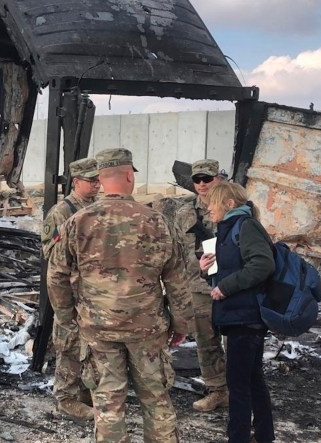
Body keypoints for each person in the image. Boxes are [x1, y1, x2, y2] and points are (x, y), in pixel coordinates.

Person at [47, 148, 192, 443]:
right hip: (147, 329)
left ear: (100, 178)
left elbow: (56, 275)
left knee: (108, 405)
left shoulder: (77, 222)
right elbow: (177, 279)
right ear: (129, 175)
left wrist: (68, 317)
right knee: (156, 401)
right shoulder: (158, 221)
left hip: (98, 330)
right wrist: (181, 324)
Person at [198, 181, 275, 443]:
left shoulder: (246, 226)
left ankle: (239, 438)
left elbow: (262, 264)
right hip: (237, 316)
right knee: (252, 379)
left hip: (246, 316)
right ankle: (264, 436)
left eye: (213, 204)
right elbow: (233, 267)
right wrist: (205, 267)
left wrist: (225, 288)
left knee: (239, 384)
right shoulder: (228, 229)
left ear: (229, 204)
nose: (209, 210)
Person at [41, 157, 100, 420]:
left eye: (99, 180)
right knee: (69, 343)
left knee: (95, 344)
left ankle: (88, 393)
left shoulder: (99, 208)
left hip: (94, 292)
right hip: (71, 289)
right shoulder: (62, 212)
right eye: (91, 181)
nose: (97, 185)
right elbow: (51, 253)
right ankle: (66, 398)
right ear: (76, 182)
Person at [172, 159, 228, 412]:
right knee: (206, 341)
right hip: (198, 287)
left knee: (238, 341)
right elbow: (175, 250)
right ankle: (217, 389)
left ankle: (241, 389)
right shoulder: (185, 213)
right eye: (197, 180)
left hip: (232, 285)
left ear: (218, 177)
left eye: (207, 178)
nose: (202, 184)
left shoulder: (234, 205)